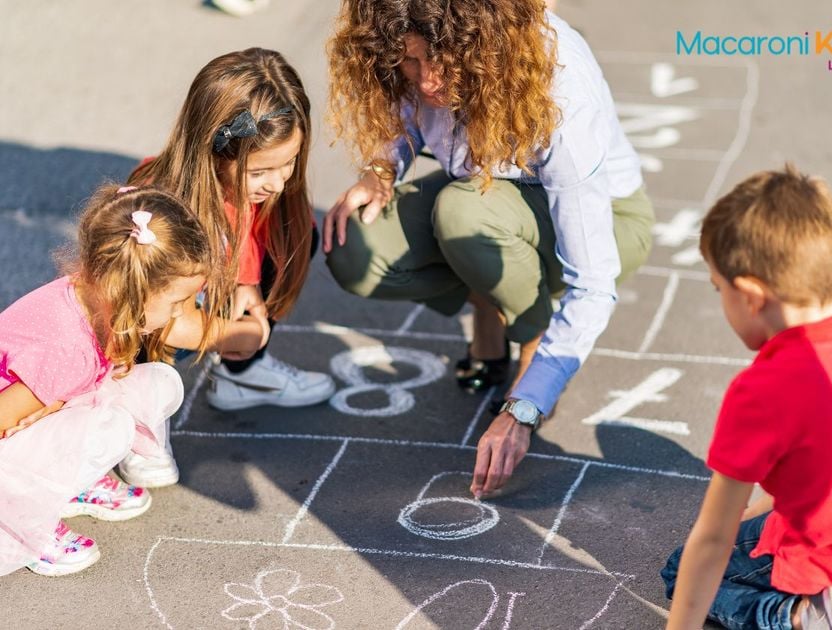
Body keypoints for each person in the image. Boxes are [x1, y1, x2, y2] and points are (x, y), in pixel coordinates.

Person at [324, 0, 653, 497]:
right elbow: (411, 120)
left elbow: (592, 282)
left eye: (441, 62)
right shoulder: (423, 52)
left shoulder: (561, 92)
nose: (427, 81)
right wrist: (381, 169)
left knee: (463, 212)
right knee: (355, 247)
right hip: (484, 203)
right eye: (410, 62)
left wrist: (527, 406)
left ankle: (533, 337)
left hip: (609, 221)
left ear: (485, 43)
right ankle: (492, 300)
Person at [661, 165, 832, 629]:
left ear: (750, 296)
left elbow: (711, 540)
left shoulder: (762, 390)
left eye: (719, 290)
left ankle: (803, 615)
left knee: (679, 568)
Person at [0, 184, 227, 576]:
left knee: (158, 383)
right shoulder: (68, 347)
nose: (177, 314)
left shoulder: (94, 300)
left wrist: (55, 405)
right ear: (133, 292)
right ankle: (24, 527)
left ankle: (65, 483)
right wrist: (48, 413)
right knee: (111, 427)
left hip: (32, 415)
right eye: (175, 303)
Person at [128, 49, 335, 476]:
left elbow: (241, 220)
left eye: (290, 162)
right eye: (261, 171)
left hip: (195, 308)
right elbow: (157, 323)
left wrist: (247, 281)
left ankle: (244, 376)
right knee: (150, 352)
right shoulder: (161, 209)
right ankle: (137, 419)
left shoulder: (248, 187)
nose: (278, 182)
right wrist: (236, 334)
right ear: (215, 152)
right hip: (139, 334)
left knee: (296, 232)